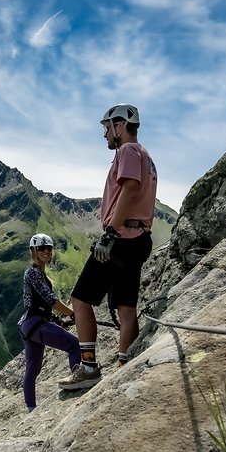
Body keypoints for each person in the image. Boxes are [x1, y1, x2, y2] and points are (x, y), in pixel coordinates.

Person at [58, 103, 158, 391]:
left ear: (121, 125)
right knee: (127, 307)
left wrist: (110, 232)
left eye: (107, 128)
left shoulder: (127, 151)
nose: (105, 135)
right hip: (139, 240)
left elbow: (128, 189)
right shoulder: (147, 156)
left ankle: (89, 368)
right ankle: (125, 363)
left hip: (121, 238)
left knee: (80, 298)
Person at [19, 233, 81, 411]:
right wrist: (72, 314)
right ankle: (77, 381)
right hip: (35, 323)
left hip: (29, 325)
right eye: (41, 248)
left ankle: (31, 409)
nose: (46, 251)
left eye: (49, 248)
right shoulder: (34, 272)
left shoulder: (36, 272)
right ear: (34, 251)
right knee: (73, 345)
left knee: (32, 369)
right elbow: (50, 299)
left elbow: (41, 303)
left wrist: (57, 319)